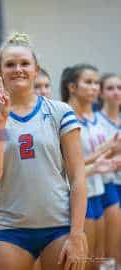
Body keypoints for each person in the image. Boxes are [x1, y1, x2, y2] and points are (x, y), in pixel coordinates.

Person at [0, 32, 88, 270]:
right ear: (0, 72)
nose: (18, 69)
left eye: (25, 63)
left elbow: (78, 177)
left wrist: (77, 234)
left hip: (59, 227)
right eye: (10, 64)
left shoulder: (60, 111)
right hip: (11, 228)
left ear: (36, 69)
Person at [60, 64, 109, 270]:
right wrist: (97, 159)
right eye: (88, 82)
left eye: (97, 83)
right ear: (72, 87)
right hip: (76, 197)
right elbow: (65, 165)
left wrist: (111, 152)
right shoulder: (65, 117)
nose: (95, 88)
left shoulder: (92, 119)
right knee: (82, 262)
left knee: (98, 258)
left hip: (97, 191)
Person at [96, 73, 121, 266]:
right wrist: (113, 154)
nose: (116, 92)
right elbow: (93, 156)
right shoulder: (95, 121)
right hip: (106, 184)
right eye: (110, 88)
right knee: (108, 247)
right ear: (101, 93)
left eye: (119, 88)